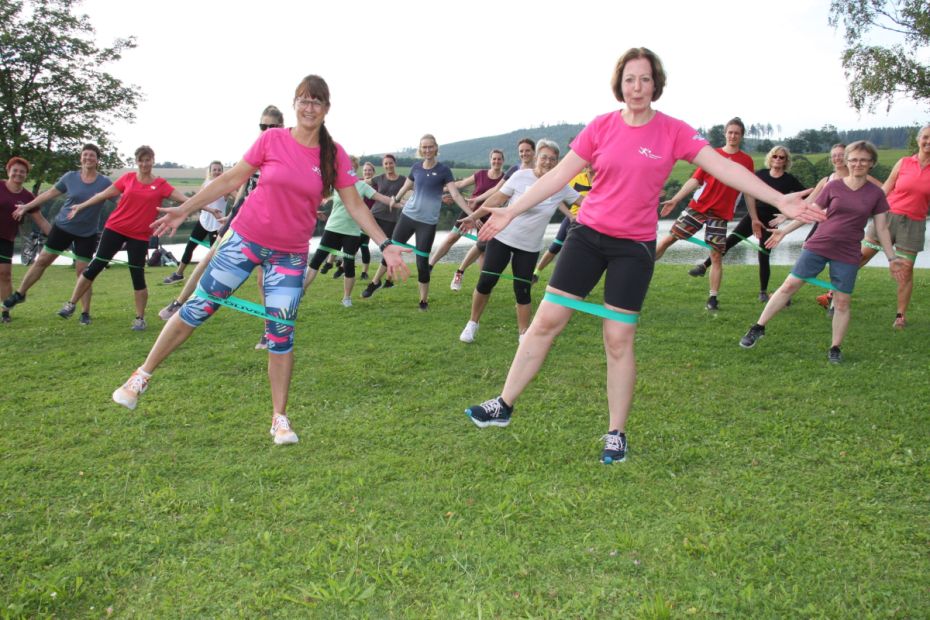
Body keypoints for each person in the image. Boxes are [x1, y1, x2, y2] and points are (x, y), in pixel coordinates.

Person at [463, 48, 823, 464]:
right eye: (630, 79)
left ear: (656, 84)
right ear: (620, 84)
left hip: (633, 248)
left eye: (645, 79)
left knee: (618, 339)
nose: (637, 87)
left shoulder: (673, 132)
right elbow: (560, 175)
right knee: (545, 322)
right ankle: (503, 405)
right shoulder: (600, 127)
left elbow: (724, 168)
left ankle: (616, 433)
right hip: (587, 235)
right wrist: (510, 209)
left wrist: (780, 199)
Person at [111, 74, 408, 446]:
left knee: (280, 334)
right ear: (295, 103)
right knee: (197, 307)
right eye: (303, 99)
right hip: (244, 241)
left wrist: (386, 242)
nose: (309, 107)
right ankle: (140, 376)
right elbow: (229, 180)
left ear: (326, 109)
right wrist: (182, 210)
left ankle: (279, 419)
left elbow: (354, 203)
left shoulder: (333, 155)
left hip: (289, 255)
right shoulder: (272, 139)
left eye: (317, 101)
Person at [740, 141, 905, 362]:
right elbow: (811, 212)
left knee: (843, 301)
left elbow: (882, 228)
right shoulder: (833, 186)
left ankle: (835, 348)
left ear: (872, 163)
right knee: (789, 285)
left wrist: (891, 257)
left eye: (864, 160)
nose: (858, 164)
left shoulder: (875, 194)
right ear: (847, 161)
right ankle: (758, 327)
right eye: (854, 159)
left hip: (847, 252)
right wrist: (785, 231)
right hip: (819, 244)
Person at [157, 105, 285, 353]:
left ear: (281, 128)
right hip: (244, 215)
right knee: (211, 256)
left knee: (264, 281)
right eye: (263, 126)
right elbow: (240, 187)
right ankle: (179, 302)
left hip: (270, 222)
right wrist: (230, 215)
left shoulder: (285, 155)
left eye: (272, 127)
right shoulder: (254, 152)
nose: (267, 131)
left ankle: (270, 330)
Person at [457, 139, 579, 343]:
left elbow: (585, 203)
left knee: (522, 291)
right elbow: (496, 199)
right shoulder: (521, 176)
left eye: (552, 159)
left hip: (529, 247)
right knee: (486, 282)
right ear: (537, 157)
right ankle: (472, 323)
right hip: (503, 238)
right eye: (544, 157)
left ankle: (523, 334)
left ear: (558, 162)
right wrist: (475, 216)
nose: (548, 162)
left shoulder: (561, 186)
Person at [55, 145, 189, 330]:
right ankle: (70, 304)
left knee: (137, 275)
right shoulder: (128, 179)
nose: (144, 163)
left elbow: (186, 201)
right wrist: (81, 206)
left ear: (153, 160)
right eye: (141, 160)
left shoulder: (161, 185)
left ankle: (140, 319)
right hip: (115, 229)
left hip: (140, 236)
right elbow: (103, 194)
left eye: (147, 159)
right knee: (95, 266)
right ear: (136, 162)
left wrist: (208, 208)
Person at [361, 134, 473, 310]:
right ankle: (374, 283)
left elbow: (456, 194)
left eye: (430, 147)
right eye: (424, 147)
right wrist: (394, 199)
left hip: (427, 223)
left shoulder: (444, 170)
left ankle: (423, 301)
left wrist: (470, 213)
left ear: (436, 148)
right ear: (421, 149)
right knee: (391, 250)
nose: (427, 150)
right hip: (408, 216)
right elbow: (406, 187)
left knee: (422, 263)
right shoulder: (416, 167)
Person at [654, 117, 756, 311]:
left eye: (737, 133)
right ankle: (642, 268)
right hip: (698, 207)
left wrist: (755, 218)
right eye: (730, 132)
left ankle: (713, 298)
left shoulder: (746, 161)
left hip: (720, 214)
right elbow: (695, 180)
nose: (733, 136)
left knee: (716, 256)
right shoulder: (712, 155)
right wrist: (675, 199)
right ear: (725, 134)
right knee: (669, 240)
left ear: (741, 136)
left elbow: (750, 191)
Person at [3, 144, 112, 325]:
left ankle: (85, 313)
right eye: (85, 155)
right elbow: (49, 194)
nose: (88, 158)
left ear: (97, 160)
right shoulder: (70, 177)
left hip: (87, 233)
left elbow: (121, 200)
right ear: (81, 158)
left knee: (83, 273)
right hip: (63, 227)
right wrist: (27, 206)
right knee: (43, 260)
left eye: (92, 155)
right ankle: (19, 293)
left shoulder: (104, 183)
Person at [687, 145, 806, 301]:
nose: (777, 159)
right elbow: (746, 188)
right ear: (770, 158)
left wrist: (785, 214)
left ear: (786, 161)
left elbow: (805, 199)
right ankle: (703, 266)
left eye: (781, 157)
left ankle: (763, 292)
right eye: (775, 156)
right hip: (753, 216)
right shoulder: (761, 174)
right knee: (729, 241)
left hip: (770, 221)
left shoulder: (789, 180)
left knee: (763, 254)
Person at [858, 124, 930, 329]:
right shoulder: (904, 162)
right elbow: (886, 188)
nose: (928, 142)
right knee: (860, 256)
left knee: (906, 271)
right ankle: (832, 296)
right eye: (925, 137)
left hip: (914, 224)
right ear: (918, 140)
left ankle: (900, 315)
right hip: (887, 217)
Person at [303, 155, 397, 306]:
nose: (348, 168)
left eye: (351, 166)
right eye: (345, 165)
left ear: (355, 168)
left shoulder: (362, 186)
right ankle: (302, 291)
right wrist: (314, 209)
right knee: (317, 260)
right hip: (333, 227)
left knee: (348, 264)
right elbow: (317, 194)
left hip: (352, 232)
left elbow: (382, 198)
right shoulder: (336, 183)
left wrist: (401, 203)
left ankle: (346, 298)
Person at [428, 149, 505, 290]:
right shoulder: (481, 174)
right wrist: (440, 189)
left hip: (489, 216)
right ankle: (430, 266)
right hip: (470, 211)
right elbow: (460, 184)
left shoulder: (505, 179)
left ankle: (482, 287)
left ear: (503, 161)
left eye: (499, 159)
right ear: (490, 160)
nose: (496, 161)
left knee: (483, 250)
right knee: (452, 238)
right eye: (494, 159)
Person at [162, 161, 232, 284]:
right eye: (214, 170)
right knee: (190, 247)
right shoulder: (205, 184)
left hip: (217, 225)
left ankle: (213, 280)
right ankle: (178, 274)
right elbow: (198, 201)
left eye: (219, 170)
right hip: (203, 222)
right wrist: (210, 210)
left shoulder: (226, 187)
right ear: (210, 171)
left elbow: (239, 198)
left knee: (213, 254)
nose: (216, 172)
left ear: (222, 171)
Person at [532, 164, 594, 282]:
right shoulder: (577, 178)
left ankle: (579, 281)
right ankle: (535, 273)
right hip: (572, 218)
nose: (589, 164)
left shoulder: (602, 180)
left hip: (590, 223)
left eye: (593, 162)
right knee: (555, 246)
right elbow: (558, 196)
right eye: (588, 162)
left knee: (583, 254)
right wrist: (570, 215)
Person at [0, 157, 43, 323]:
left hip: (6, 239)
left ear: (26, 175)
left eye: (22, 171)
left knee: (5, 275)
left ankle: (5, 312)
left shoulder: (27, 196)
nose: (18, 174)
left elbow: (41, 221)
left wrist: (58, 239)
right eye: (15, 170)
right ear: (8, 171)